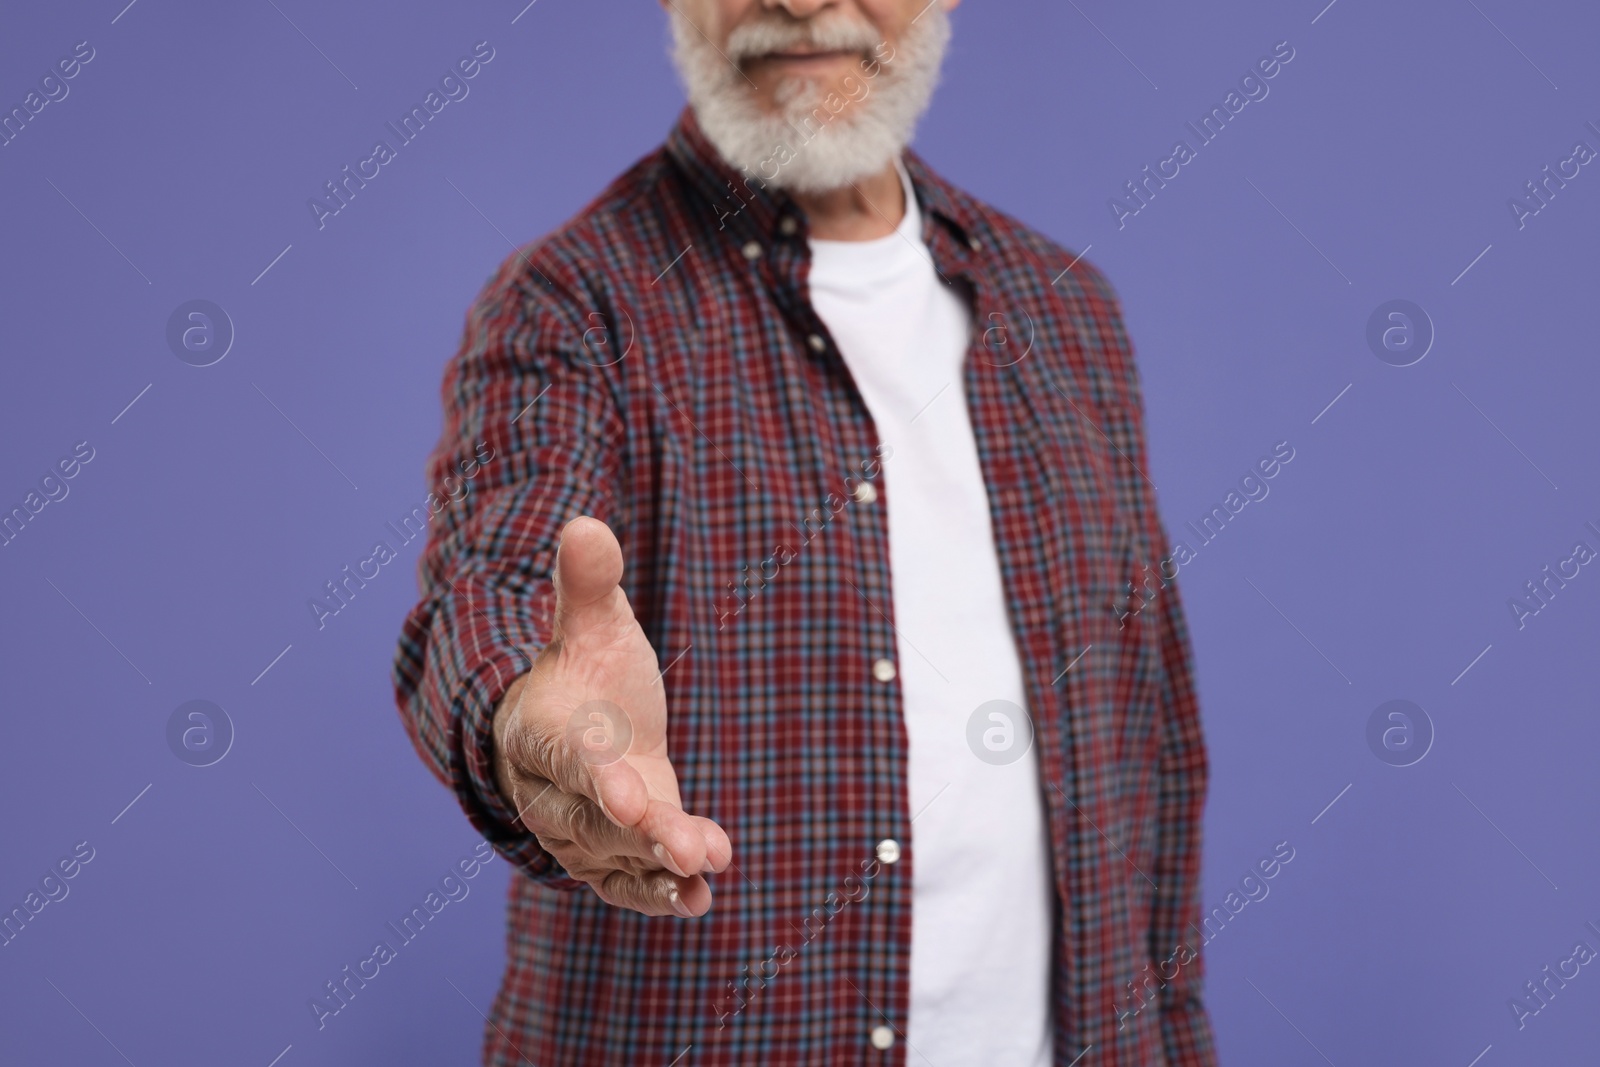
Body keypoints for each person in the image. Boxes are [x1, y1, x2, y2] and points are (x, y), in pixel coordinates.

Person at [392, 0, 1218, 1063]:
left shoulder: (1067, 314)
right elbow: (492, 584)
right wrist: (531, 718)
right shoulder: (566, 305)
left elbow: (1150, 747)